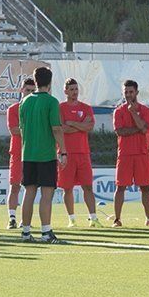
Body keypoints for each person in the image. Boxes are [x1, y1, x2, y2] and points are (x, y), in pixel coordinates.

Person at [19, 67, 67, 243]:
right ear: (50, 81)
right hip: (45, 154)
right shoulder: (52, 101)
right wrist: (63, 151)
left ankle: (25, 232)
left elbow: (22, 129)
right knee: (47, 194)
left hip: (28, 153)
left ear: (35, 80)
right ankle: (46, 232)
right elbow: (56, 128)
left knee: (28, 192)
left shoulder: (24, 102)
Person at [58, 78, 102, 228]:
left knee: (88, 186)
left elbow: (89, 127)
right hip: (66, 153)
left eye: (76, 89)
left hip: (83, 153)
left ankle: (93, 218)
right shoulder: (60, 108)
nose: (74, 92)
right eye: (71, 89)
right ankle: (72, 219)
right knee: (67, 188)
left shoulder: (86, 107)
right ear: (65, 91)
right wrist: (80, 125)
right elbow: (62, 128)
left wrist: (72, 123)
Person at [112, 80, 149, 227]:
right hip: (124, 154)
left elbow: (145, 130)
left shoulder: (145, 110)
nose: (128, 95)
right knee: (120, 187)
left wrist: (133, 113)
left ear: (136, 92)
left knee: (145, 187)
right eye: (126, 92)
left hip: (141, 153)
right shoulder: (118, 111)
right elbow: (120, 131)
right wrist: (138, 128)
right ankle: (117, 219)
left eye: (131, 92)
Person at [5, 78, 35, 229]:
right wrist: (34, 130)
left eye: (32, 91)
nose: (29, 93)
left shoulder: (37, 109)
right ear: (21, 90)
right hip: (17, 152)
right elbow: (14, 130)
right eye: (27, 90)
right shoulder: (13, 109)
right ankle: (12, 218)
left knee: (30, 187)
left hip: (33, 152)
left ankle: (26, 219)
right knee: (15, 186)